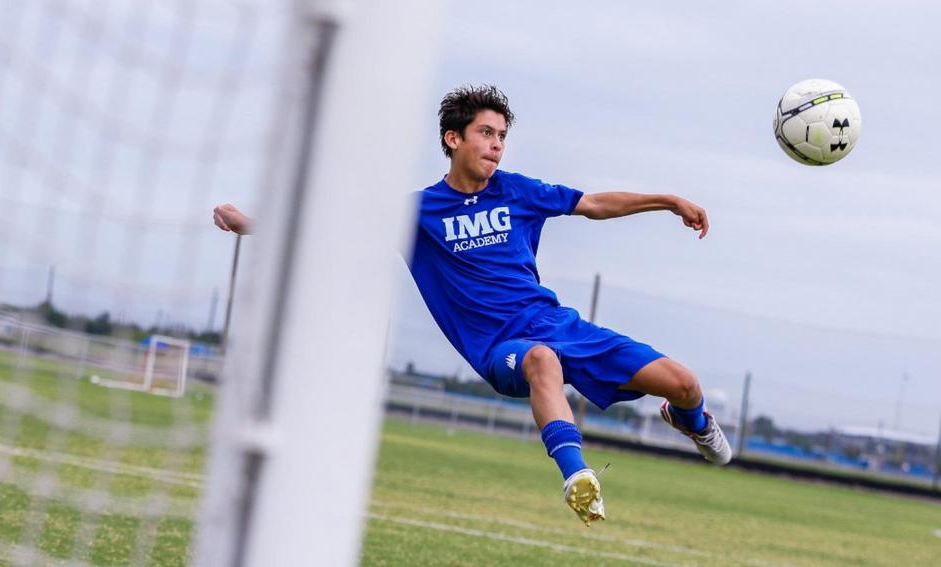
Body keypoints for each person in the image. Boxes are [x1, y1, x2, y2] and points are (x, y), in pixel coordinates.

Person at [213, 84, 731, 526]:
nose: (497, 146)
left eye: (503, 136)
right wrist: (253, 224)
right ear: (453, 138)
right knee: (540, 361)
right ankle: (578, 477)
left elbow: (593, 204)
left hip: (558, 323)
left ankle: (692, 423)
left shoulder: (519, 192)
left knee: (684, 383)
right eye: (487, 133)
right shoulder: (417, 212)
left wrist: (668, 200)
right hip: (501, 348)